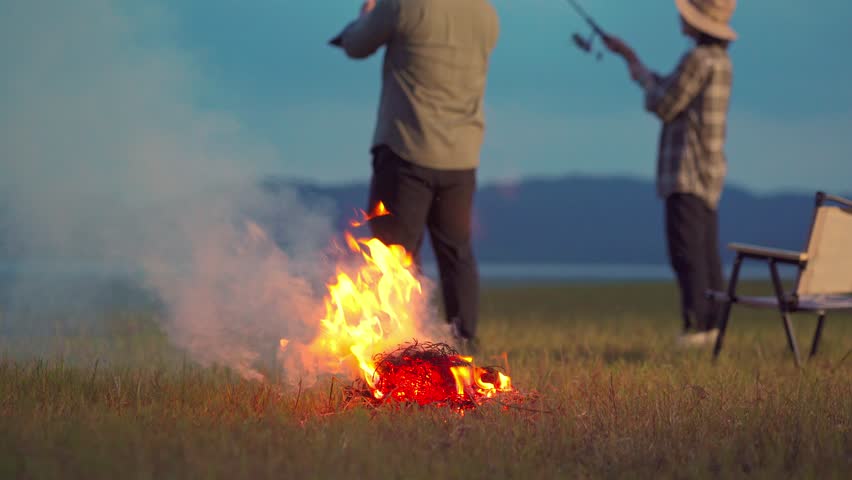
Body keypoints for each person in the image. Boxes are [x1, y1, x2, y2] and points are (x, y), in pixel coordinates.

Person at [331, 0, 500, 354]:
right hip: (461, 154)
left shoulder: (405, 5)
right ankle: (463, 345)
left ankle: (403, 347)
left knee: (395, 254)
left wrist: (366, 12)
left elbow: (357, 45)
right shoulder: (485, 13)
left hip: (407, 149)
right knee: (457, 254)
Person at [603, 0, 737, 347]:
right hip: (710, 172)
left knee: (686, 252)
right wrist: (632, 60)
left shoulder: (697, 59)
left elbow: (664, 104)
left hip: (686, 172)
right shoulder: (721, 61)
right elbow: (674, 92)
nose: (681, 15)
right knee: (706, 252)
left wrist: (637, 71)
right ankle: (712, 326)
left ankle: (698, 328)